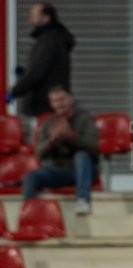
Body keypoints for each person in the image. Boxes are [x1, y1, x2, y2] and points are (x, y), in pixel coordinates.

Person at [22, 86, 98, 215]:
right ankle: (30, 212)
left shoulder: (85, 118)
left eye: (62, 99)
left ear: (71, 99)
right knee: (31, 177)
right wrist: (51, 141)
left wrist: (71, 136)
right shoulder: (48, 123)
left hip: (84, 170)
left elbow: (95, 148)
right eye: (55, 101)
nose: (59, 104)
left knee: (81, 156)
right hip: (59, 171)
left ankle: (82, 201)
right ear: (51, 104)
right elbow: (38, 153)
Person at [6, 3, 76, 118]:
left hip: (42, 106)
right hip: (48, 104)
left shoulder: (49, 41)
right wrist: (24, 73)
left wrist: (13, 92)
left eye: (33, 15)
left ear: (46, 17)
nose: (29, 18)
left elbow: (37, 73)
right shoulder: (55, 38)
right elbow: (48, 70)